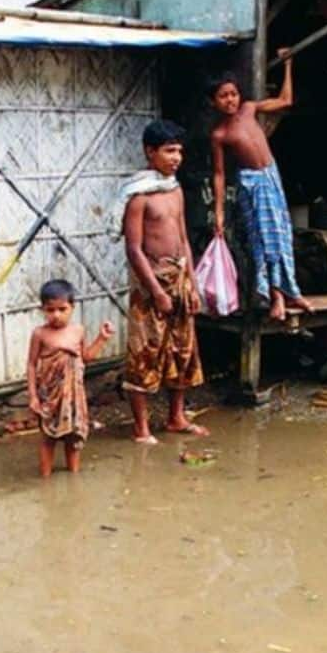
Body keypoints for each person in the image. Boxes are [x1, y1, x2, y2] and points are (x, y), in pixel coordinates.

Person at [209, 49, 313, 321]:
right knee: (264, 240)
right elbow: (219, 174)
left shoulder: (249, 109)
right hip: (252, 185)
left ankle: (292, 292)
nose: (230, 100)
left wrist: (288, 64)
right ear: (214, 103)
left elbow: (285, 100)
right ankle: (275, 297)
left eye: (232, 93)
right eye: (223, 96)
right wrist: (218, 212)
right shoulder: (220, 134)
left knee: (282, 235)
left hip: (271, 176)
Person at [122, 120, 208, 445]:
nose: (176, 158)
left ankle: (176, 417)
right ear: (150, 151)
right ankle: (141, 428)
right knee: (146, 351)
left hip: (181, 278)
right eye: (169, 150)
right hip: (152, 283)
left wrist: (193, 284)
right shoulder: (139, 197)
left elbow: (184, 238)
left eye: (179, 151)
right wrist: (156, 291)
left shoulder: (174, 190)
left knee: (183, 349)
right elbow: (133, 248)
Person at [26, 279, 114, 477]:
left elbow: (86, 358)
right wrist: (32, 396)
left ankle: (73, 475)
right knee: (48, 437)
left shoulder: (78, 331)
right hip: (50, 394)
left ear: (72, 308)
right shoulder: (40, 334)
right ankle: (45, 479)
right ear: (43, 310)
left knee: (73, 437)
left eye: (62, 309)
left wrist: (102, 338)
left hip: (73, 395)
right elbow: (31, 365)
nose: (56, 315)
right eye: (50, 310)